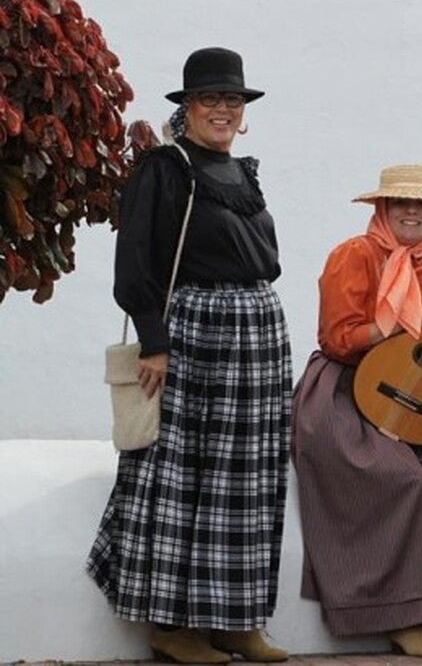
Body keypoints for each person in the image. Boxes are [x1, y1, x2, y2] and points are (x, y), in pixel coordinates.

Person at [87, 47, 291, 663]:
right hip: (194, 337)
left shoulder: (242, 173)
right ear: (188, 107)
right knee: (184, 479)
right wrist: (155, 341)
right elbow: (135, 261)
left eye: (233, 100)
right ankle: (171, 626)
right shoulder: (165, 168)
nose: (223, 110)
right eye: (211, 100)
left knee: (249, 483)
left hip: (255, 339)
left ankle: (237, 620)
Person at [290, 164, 422, 657]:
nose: (412, 211)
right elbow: (339, 337)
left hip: (408, 395)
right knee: (403, 481)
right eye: (401, 203)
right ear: (382, 208)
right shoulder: (354, 255)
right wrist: (411, 320)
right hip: (343, 392)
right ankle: (402, 615)